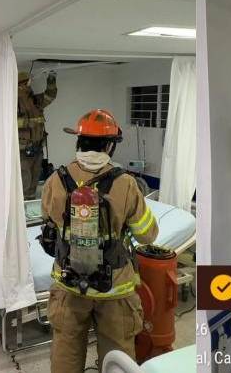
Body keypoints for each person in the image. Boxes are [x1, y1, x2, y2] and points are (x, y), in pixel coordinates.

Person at [37, 109, 156, 373]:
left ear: (78, 141)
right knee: (118, 356)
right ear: (110, 146)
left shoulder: (55, 181)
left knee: (65, 353)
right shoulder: (126, 184)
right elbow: (147, 235)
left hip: (68, 284)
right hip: (115, 288)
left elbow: (48, 224)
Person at [18, 71, 58, 198]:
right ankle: (21, 212)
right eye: (28, 82)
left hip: (37, 148)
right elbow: (7, 122)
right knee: (25, 181)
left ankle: (28, 209)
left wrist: (51, 79)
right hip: (23, 150)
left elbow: (49, 96)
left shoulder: (34, 99)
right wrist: (29, 122)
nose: (30, 83)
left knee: (34, 180)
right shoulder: (13, 100)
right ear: (23, 83)